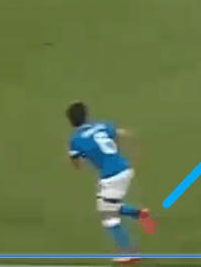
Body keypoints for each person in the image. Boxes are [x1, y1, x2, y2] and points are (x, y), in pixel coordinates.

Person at [66, 102, 157, 264]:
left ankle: (129, 252)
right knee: (109, 205)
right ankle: (139, 213)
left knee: (108, 216)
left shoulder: (75, 140)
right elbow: (121, 133)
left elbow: (76, 163)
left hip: (111, 177)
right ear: (86, 115)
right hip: (124, 168)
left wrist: (83, 159)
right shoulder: (101, 125)